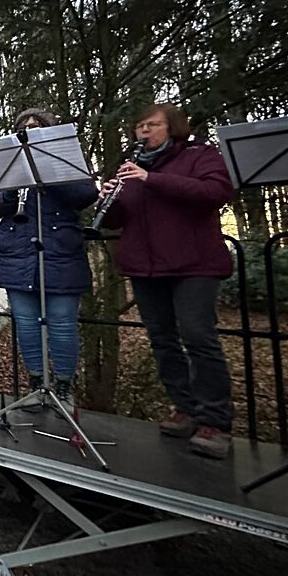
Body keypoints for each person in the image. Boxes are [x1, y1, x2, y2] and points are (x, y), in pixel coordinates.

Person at [99, 103, 236, 459]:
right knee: (162, 340)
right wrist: (108, 200)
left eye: (152, 125)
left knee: (198, 336)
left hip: (194, 263)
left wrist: (151, 179)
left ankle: (215, 421)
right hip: (146, 266)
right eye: (139, 126)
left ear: (172, 127)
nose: (143, 132)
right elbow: (118, 220)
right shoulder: (130, 170)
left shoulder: (198, 155)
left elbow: (216, 193)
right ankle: (185, 408)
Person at [0, 109, 98, 410]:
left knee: (62, 324)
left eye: (37, 126)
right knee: (25, 324)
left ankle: (62, 386)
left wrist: (47, 173)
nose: (30, 130)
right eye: (24, 127)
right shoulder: (8, 165)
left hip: (60, 252)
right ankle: (36, 383)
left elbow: (87, 194)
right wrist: (10, 193)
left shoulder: (63, 159)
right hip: (18, 253)